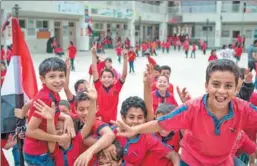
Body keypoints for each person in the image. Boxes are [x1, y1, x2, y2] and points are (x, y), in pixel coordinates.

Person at [112, 59, 257, 166]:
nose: (221, 91)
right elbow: (161, 123)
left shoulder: (244, 109)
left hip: (222, 162)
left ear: (236, 88)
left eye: (228, 86)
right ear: (206, 86)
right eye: (216, 84)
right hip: (192, 161)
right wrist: (134, 129)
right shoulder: (192, 108)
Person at [23, 57, 75, 166]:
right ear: (42, 79)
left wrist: (67, 117)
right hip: (37, 153)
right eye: (52, 76)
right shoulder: (45, 98)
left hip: (41, 149)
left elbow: (53, 113)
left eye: (61, 76)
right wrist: (58, 138)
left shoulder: (53, 93)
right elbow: (30, 131)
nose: (58, 80)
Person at [91, 43, 128, 123]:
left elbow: (124, 75)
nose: (106, 79)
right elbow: (94, 71)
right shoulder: (98, 87)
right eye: (104, 77)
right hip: (99, 122)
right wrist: (94, 55)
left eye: (109, 77)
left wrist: (125, 59)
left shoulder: (116, 88)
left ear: (114, 79)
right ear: (100, 79)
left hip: (112, 123)